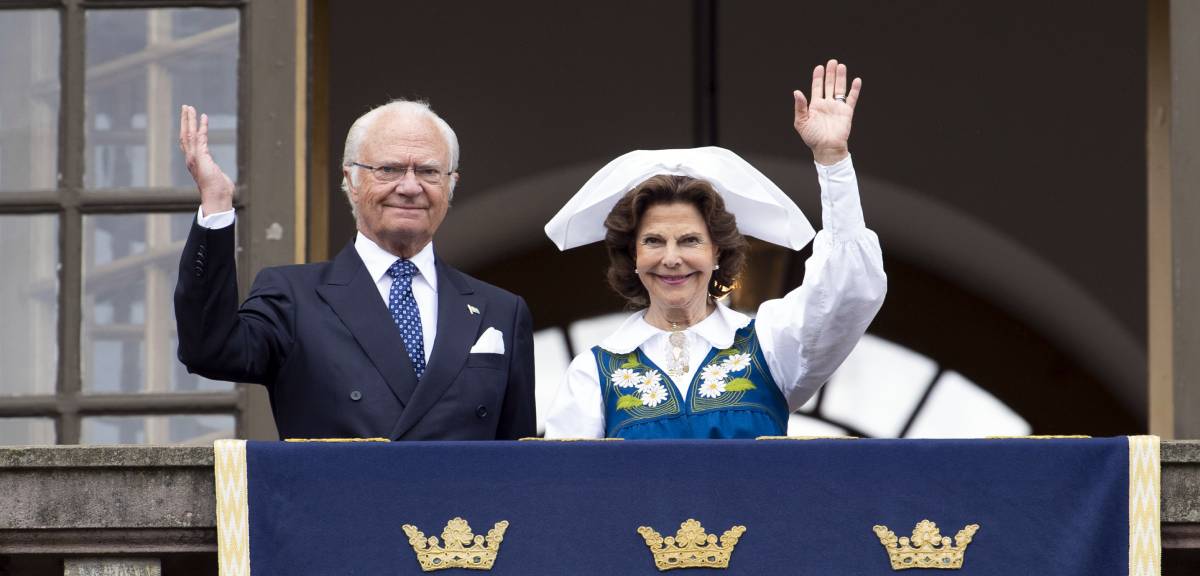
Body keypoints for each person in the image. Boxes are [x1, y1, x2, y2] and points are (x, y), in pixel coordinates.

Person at [543, 60, 885, 439]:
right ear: (632, 256)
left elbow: (848, 293)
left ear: (717, 252)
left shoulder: (769, 344)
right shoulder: (593, 372)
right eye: (653, 241)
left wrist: (833, 162)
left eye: (689, 240)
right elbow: (567, 475)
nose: (672, 258)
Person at [174, 99, 536, 440]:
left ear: (451, 184)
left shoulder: (501, 311)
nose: (410, 187)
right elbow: (210, 350)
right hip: (339, 489)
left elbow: (519, 462)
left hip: (459, 492)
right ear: (352, 180)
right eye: (389, 169)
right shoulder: (293, 297)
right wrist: (217, 203)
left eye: (428, 171)